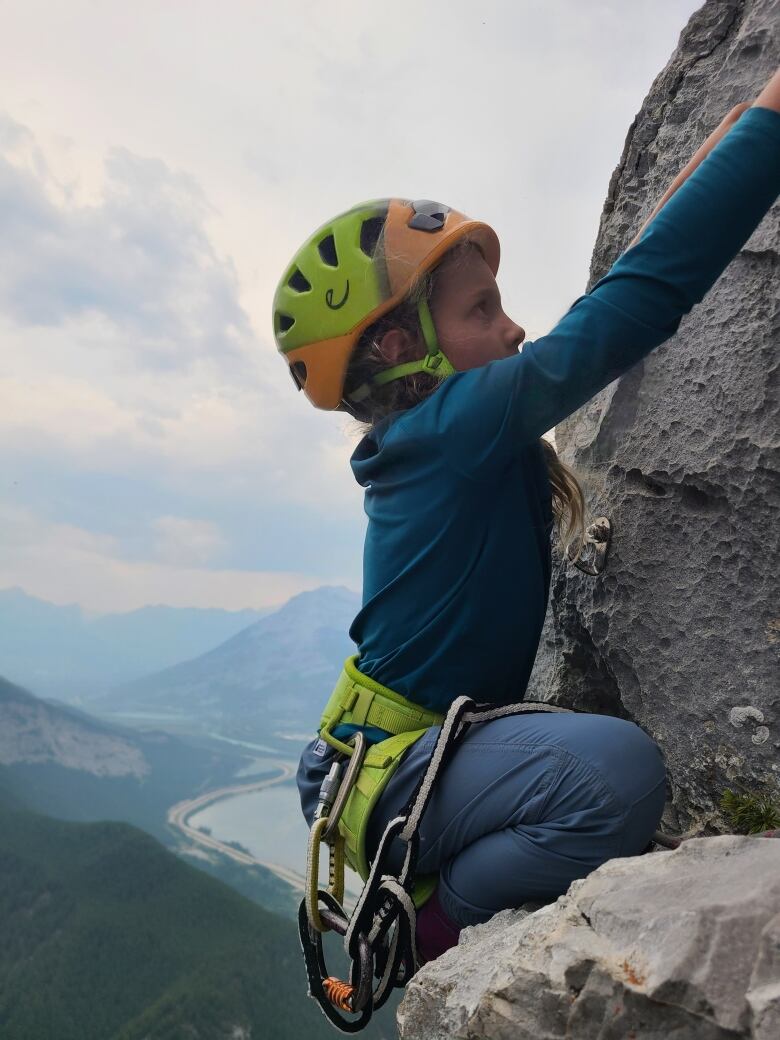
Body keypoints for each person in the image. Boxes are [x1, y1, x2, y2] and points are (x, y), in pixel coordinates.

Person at [277, 69, 780, 966]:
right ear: (402, 350)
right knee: (616, 777)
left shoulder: (436, 433)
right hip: (400, 773)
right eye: (482, 311)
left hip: (385, 761)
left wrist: (731, 139)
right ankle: (436, 924)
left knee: (603, 770)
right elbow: (632, 307)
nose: (512, 330)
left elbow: (621, 284)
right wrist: (770, 132)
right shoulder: (446, 431)